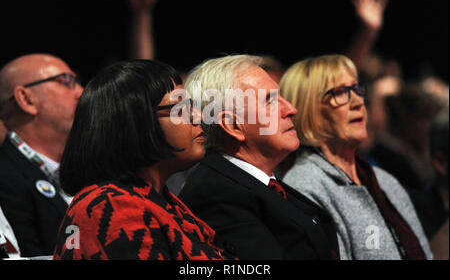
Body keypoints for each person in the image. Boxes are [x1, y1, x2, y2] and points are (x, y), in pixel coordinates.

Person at [53, 59, 230, 260]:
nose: (198, 117)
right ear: (137, 125)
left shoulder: (162, 200)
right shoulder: (112, 206)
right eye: (180, 109)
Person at [178, 55, 339, 260]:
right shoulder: (215, 196)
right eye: (270, 100)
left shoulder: (257, 184)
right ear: (234, 126)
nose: (291, 109)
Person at [279, 54, 432, 260]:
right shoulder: (304, 188)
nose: (358, 102)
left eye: (357, 89)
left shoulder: (384, 181)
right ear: (309, 108)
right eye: (341, 92)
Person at [0, 53, 83, 257]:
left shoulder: (94, 169)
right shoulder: (6, 179)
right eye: (66, 81)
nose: (82, 92)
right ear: (26, 99)